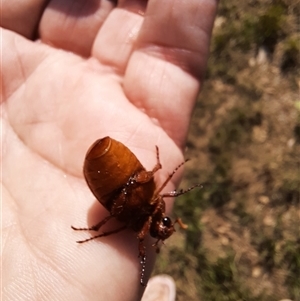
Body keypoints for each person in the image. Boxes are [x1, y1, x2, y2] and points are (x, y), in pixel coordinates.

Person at [1, 1, 218, 300]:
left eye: (163, 228)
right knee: (154, 186)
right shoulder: (157, 202)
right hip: (122, 173)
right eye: (168, 223)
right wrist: (156, 174)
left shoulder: (138, 227)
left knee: (140, 198)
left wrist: (104, 229)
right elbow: (162, 188)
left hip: (112, 185)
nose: (163, 225)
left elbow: (127, 221)